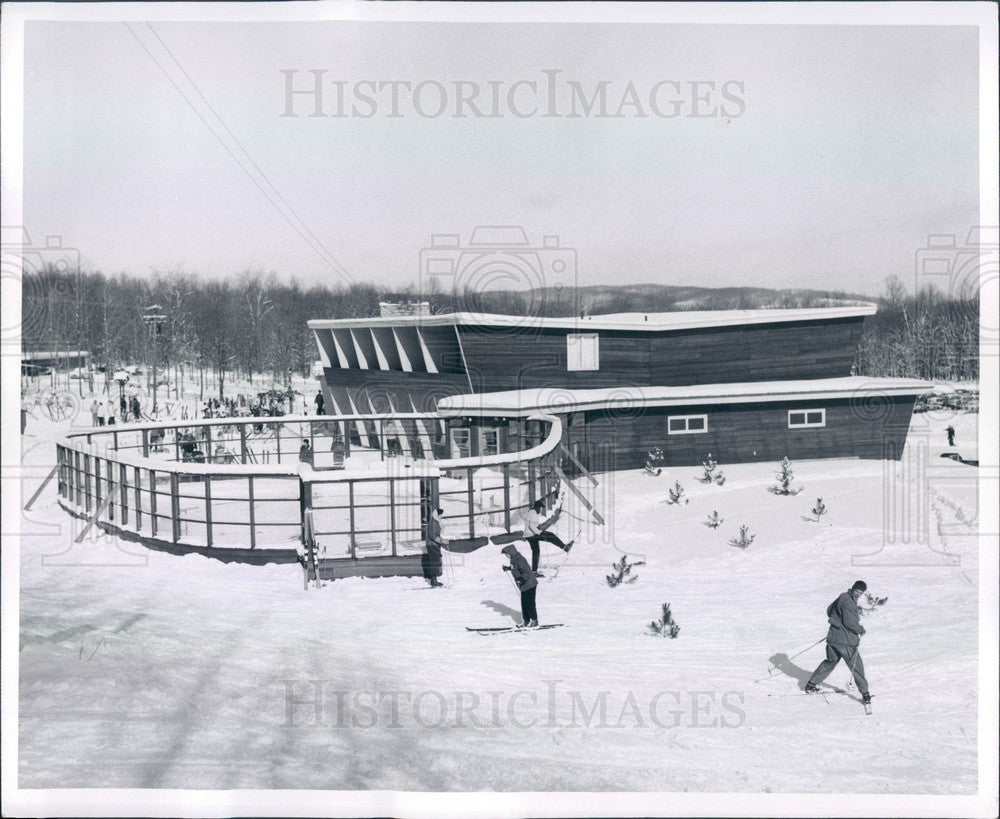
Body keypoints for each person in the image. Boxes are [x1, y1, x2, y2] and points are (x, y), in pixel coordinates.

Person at [805, 580, 872, 705]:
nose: (858, 594)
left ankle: (811, 684)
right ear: (853, 588)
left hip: (833, 638)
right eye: (857, 591)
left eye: (861, 593)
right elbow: (850, 623)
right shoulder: (848, 602)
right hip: (845, 642)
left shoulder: (843, 596)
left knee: (830, 662)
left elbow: (829, 610)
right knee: (856, 666)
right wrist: (860, 629)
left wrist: (837, 623)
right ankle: (866, 694)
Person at [523, 500, 574, 574]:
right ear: (537, 508)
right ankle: (565, 547)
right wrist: (538, 532)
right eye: (540, 508)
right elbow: (531, 526)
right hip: (532, 535)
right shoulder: (533, 513)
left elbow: (532, 524)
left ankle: (534, 572)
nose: (540, 510)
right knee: (551, 536)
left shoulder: (531, 512)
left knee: (536, 552)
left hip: (528, 535)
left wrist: (537, 527)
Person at [501, 543, 538, 627]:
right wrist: (508, 568)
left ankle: (534, 620)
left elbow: (526, 571)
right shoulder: (514, 560)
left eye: (506, 554)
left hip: (530, 584)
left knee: (530, 603)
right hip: (524, 585)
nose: (506, 556)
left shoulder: (520, 559)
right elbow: (516, 568)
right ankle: (526, 621)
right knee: (524, 603)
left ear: (511, 553)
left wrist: (521, 579)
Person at [422, 507, 446, 587]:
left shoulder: (435, 522)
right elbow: (433, 536)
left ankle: (434, 580)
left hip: (434, 545)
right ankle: (433, 580)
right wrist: (443, 541)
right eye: (441, 514)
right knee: (434, 562)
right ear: (437, 515)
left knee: (435, 562)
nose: (441, 516)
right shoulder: (433, 523)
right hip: (432, 545)